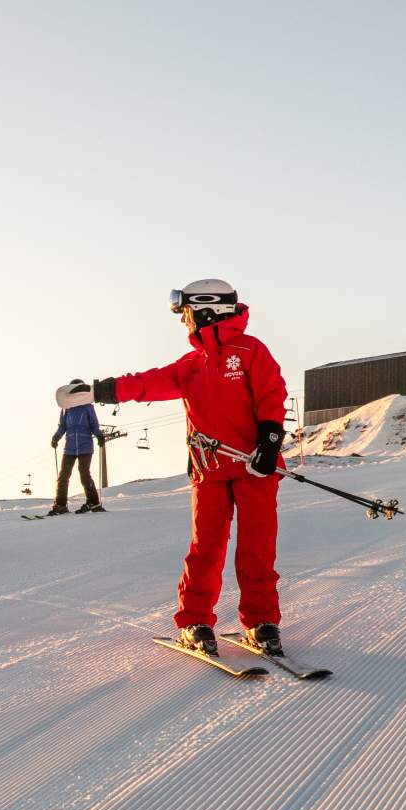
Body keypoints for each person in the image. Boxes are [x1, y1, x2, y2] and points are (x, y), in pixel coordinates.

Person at [86, 280, 288, 656]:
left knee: (256, 546)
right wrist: (100, 391)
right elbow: (147, 384)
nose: (184, 322)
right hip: (209, 470)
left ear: (208, 310)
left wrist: (270, 440)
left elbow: (271, 394)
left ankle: (261, 622)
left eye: (187, 313)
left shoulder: (250, 351)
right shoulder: (191, 365)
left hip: (254, 467)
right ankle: (196, 622)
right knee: (205, 548)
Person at [49, 379, 104, 515]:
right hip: (70, 447)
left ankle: (94, 502)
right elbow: (63, 426)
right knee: (63, 475)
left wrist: (99, 436)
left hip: (85, 445)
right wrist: (56, 437)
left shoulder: (88, 407)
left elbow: (94, 424)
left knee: (84, 473)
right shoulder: (66, 408)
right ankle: (60, 504)